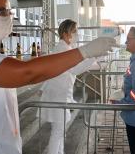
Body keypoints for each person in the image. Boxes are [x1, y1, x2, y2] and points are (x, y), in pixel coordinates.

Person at [0, 0, 118, 154]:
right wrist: (84, 52)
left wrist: (89, 54)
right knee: (57, 133)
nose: (9, 17)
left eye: (10, 11)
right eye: (2, 11)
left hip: (2, 145)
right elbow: (27, 72)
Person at [38, 19, 100, 154]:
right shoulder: (62, 49)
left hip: (59, 95)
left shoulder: (64, 48)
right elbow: (75, 69)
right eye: (75, 31)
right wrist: (94, 55)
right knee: (58, 132)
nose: (77, 34)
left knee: (59, 131)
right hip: (58, 96)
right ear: (66, 34)